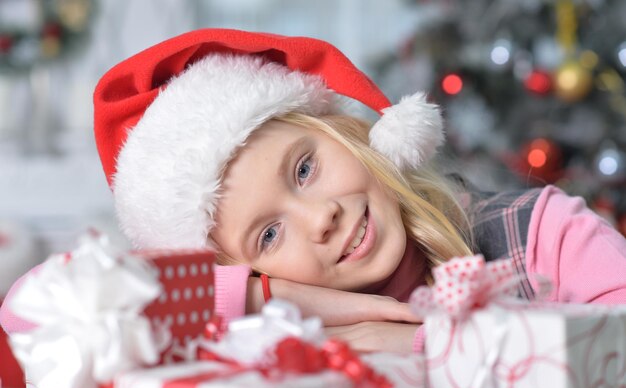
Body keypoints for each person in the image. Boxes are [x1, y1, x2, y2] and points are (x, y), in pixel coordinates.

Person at [2, 29, 626, 354]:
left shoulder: (540, 236)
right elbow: (29, 307)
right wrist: (263, 295)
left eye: (304, 170)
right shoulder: (273, 334)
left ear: (350, 135)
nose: (320, 219)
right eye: (269, 235)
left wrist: (429, 344)